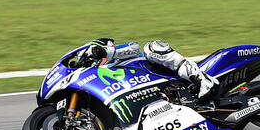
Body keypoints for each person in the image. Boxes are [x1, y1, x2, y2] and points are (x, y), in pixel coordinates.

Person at [68, 38, 219, 104]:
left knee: (152, 47)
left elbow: (134, 47)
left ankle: (203, 81)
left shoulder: (114, 55)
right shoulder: (103, 75)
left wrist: (105, 52)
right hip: (152, 92)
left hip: (163, 72)